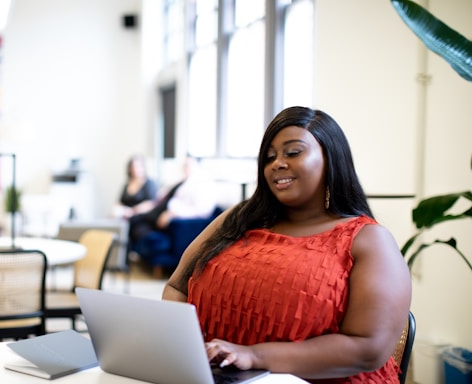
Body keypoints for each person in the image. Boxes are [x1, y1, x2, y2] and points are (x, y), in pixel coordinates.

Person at [162, 106, 412, 383]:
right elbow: (176, 287)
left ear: (332, 158)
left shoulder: (368, 239)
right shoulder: (237, 219)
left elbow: (368, 349)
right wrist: (186, 348)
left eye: (293, 152)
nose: (277, 163)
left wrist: (255, 356)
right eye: (269, 157)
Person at [129, 155, 218, 244]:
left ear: (197, 165)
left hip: (170, 218)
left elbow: (202, 211)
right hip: (160, 210)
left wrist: (172, 214)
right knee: (133, 222)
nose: (185, 168)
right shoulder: (184, 182)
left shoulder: (203, 185)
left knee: (135, 223)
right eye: (184, 165)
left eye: (188, 165)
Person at [113, 154, 158, 219]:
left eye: (138, 166)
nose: (135, 169)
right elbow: (120, 202)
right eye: (133, 167)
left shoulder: (149, 183)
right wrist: (118, 210)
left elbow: (151, 203)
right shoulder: (127, 184)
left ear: (143, 167)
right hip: (125, 217)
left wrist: (132, 211)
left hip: (142, 218)